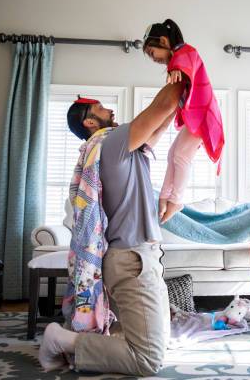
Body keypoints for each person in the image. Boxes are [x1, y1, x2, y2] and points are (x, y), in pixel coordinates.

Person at [38, 79, 186, 376]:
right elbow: (164, 104)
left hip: (139, 257)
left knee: (155, 339)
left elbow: (160, 124)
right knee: (148, 359)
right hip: (132, 261)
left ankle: (105, 341)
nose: (110, 110)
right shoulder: (113, 142)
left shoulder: (122, 148)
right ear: (91, 121)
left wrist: (182, 100)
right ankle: (60, 340)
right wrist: (182, 71)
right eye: (101, 108)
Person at [142, 19, 225, 223]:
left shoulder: (185, 52)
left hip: (203, 116)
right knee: (173, 154)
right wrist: (174, 68)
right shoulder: (177, 59)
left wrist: (175, 68)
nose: (154, 60)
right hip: (196, 117)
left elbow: (189, 60)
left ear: (163, 40)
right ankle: (164, 197)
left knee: (181, 156)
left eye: (153, 54)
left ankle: (176, 200)